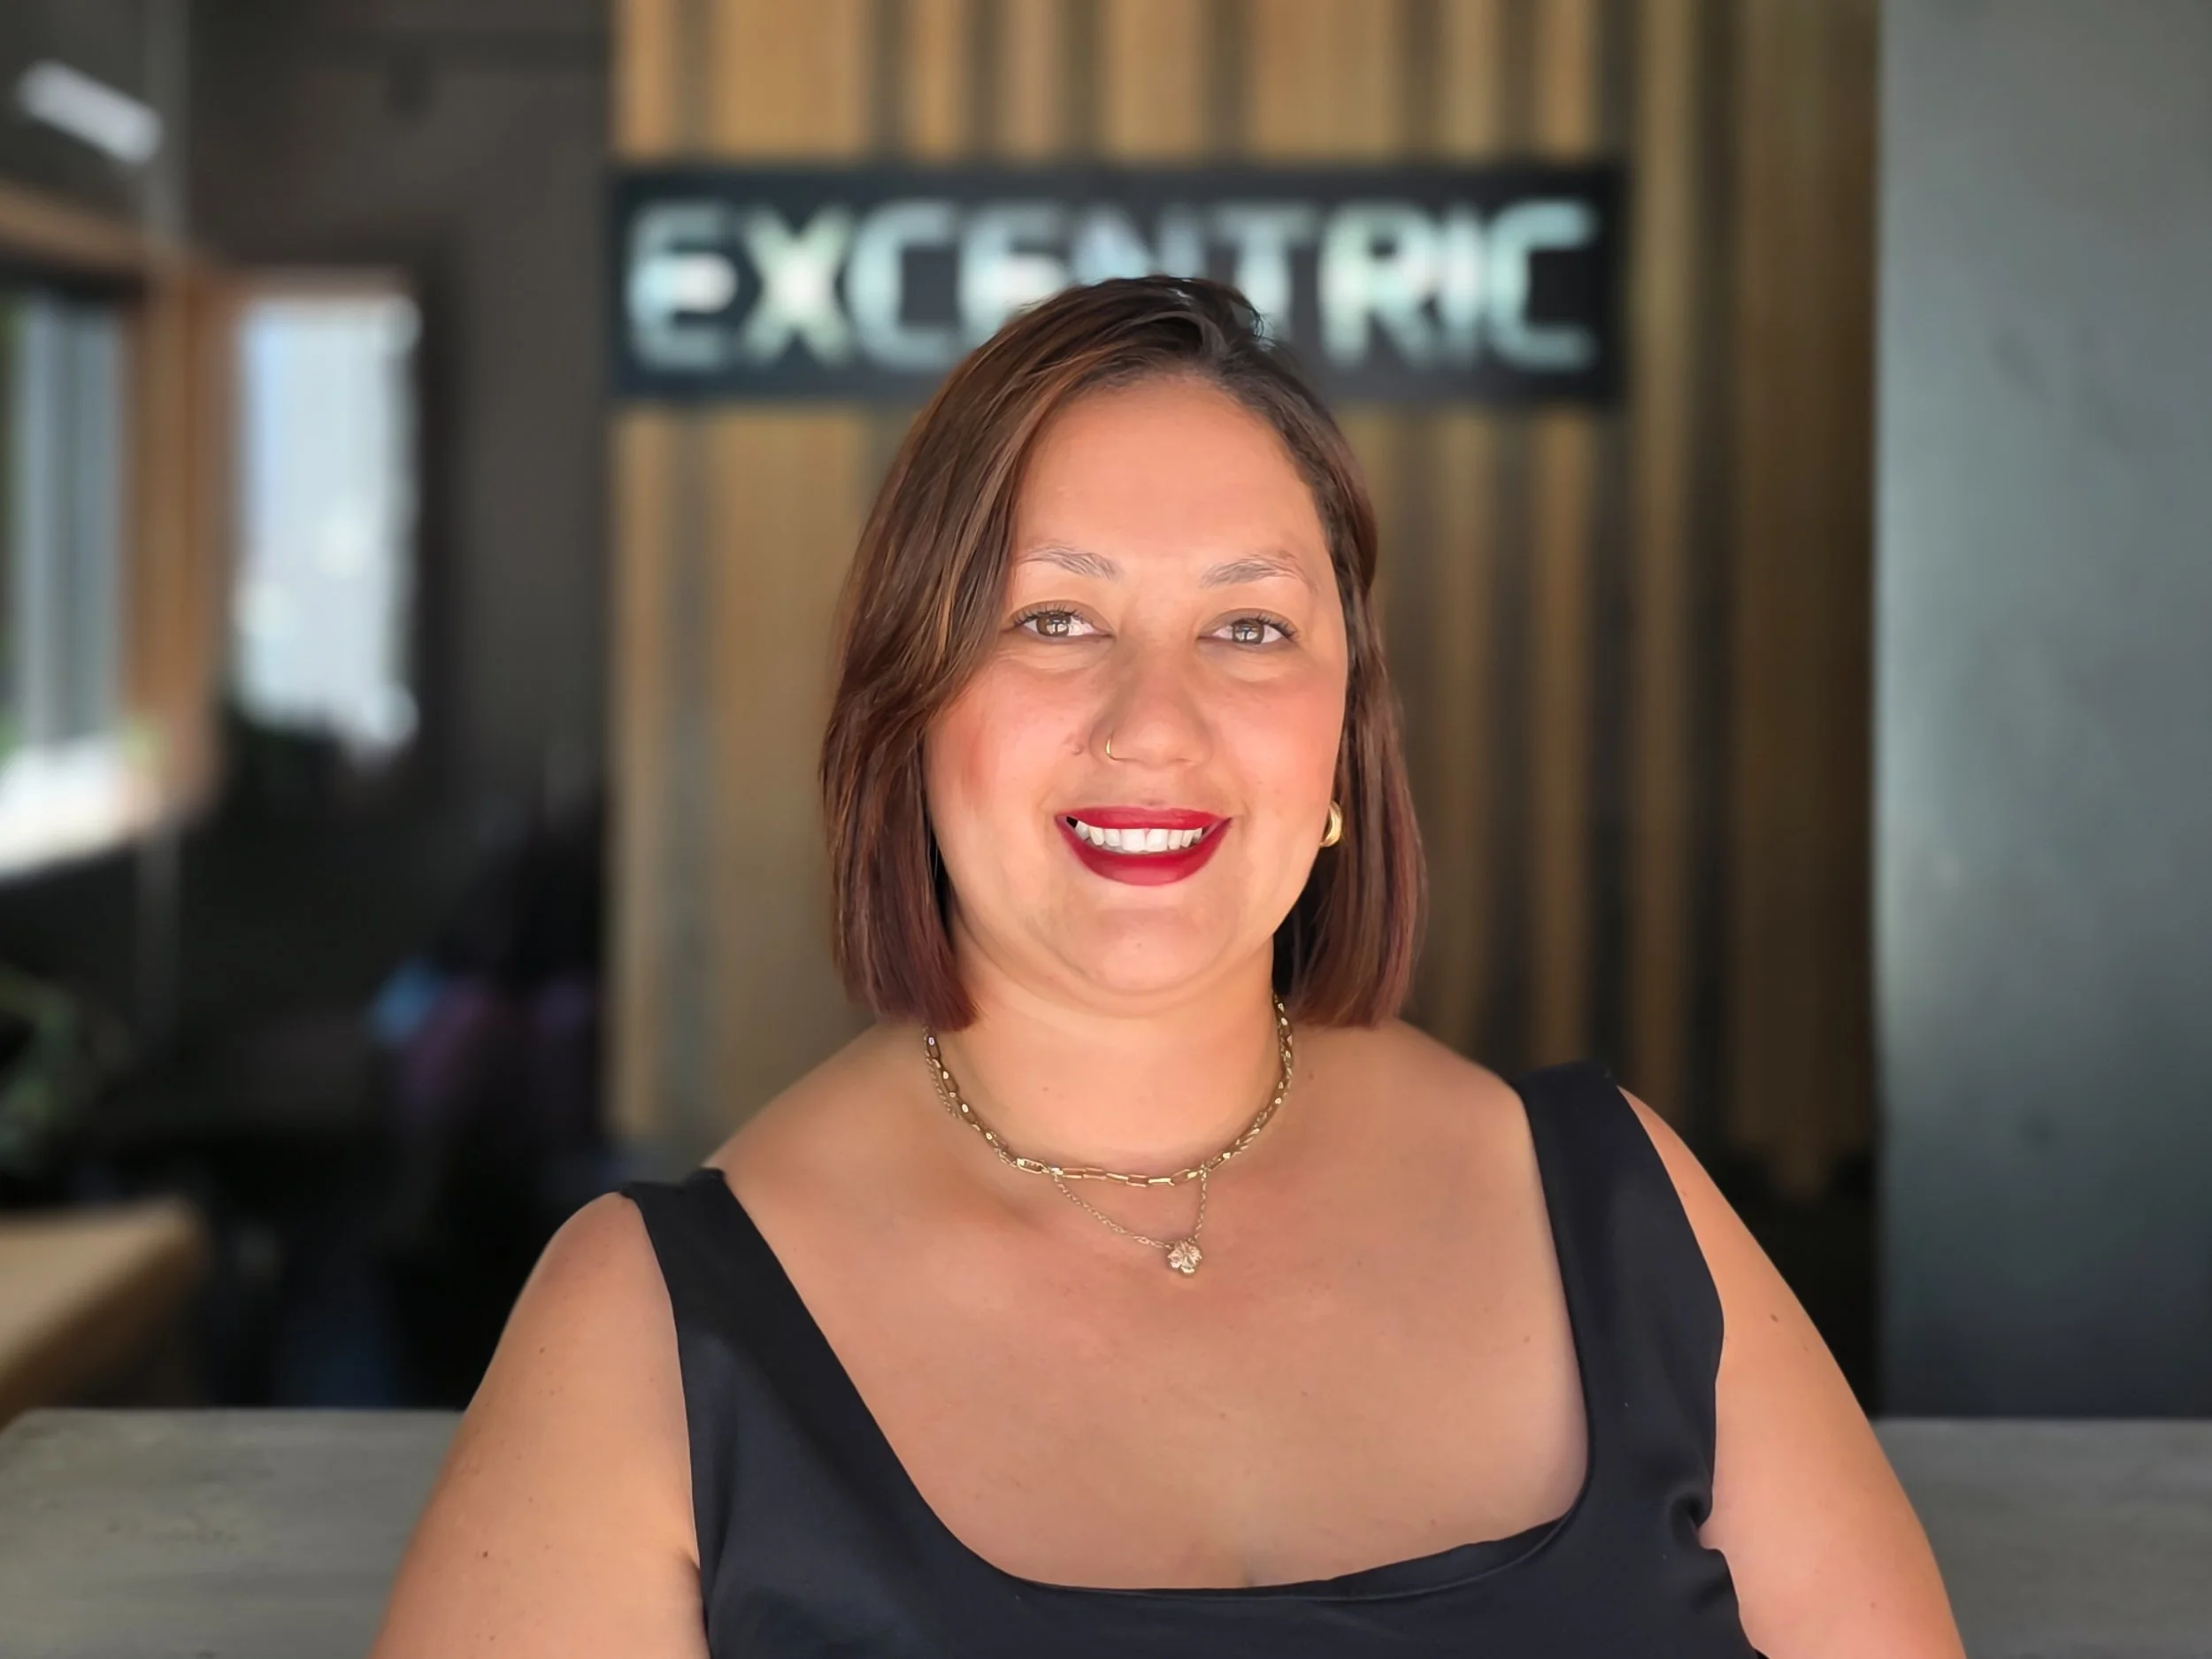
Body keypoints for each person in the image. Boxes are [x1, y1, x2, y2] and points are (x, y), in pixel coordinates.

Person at [371, 277, 1964, 1656]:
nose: (1155, 723)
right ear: (907, 709)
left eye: (1251, 628)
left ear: (1345, 741)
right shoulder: (647, 1325)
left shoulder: (1620, 1211)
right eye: (1056, 620)